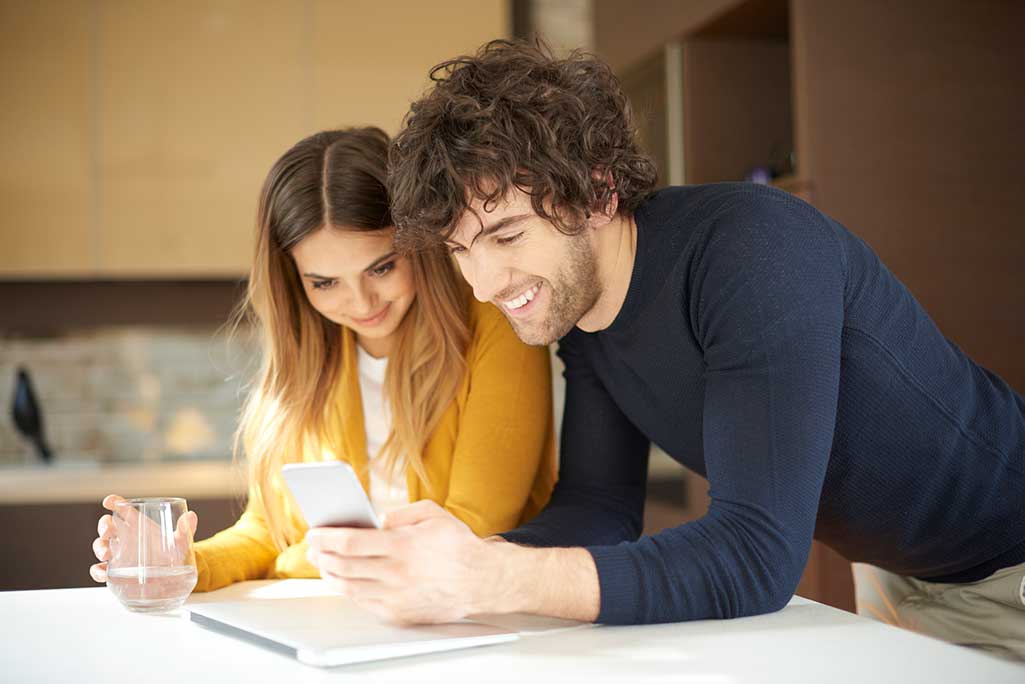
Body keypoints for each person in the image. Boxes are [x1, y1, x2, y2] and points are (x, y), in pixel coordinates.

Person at [303, 40, 1025, 661]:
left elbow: (755, 555)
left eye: (507, 235)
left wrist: (492, 579)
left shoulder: (752, 251)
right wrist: (459, 558)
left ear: (598, 192)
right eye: (461, 251)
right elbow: (596, 507)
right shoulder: (582, 313)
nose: (486, 283)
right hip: (903, 578)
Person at [89, 127, 556, 593]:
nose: (361, 302)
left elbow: (469, 530)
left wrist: (300, 559)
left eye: (382, 267)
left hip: (476, 625)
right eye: (325, 283)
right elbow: (265, 534)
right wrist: (183, 560)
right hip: (346, 624)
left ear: (422, 246)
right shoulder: (310, 361)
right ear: (294, 281)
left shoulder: (494, 323)